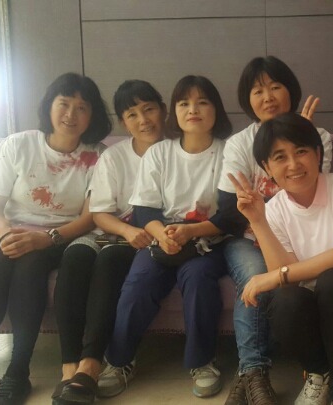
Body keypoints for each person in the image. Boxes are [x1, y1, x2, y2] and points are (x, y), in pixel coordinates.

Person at [228, 112, 333, 405]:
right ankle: (320, 372)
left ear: (318, 154)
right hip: (318, 319)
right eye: (280, 157)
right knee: (283, 299)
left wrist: (276, 275)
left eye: (301, 152)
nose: (293, 164)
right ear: (267, 167)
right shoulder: (274, 209)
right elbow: (284, 278)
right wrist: (258, 221)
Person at [0, 72, 110, 405]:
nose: (71, 114)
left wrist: (46, 239)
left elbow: (89, 217)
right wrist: (7, 235)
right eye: (64, 104)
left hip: (58, 237)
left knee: (30, 266)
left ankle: (18, 373)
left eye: (82, 107)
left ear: (92, 115)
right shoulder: (18, 145)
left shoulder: (99, 155)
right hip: (8, 229)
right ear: (49, 106)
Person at [210, 55, 332, 405]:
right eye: (257, 91)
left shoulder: (319, 137)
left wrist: (303, 139)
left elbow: (315, 196)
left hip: (300, 235)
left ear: (290, 90)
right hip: (248, 237)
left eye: (275, 86)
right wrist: (261, 224)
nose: (268, 97)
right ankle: (255, 373)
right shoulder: (239, 143)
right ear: (247, 100)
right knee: (255, 273)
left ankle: (254, 376)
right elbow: (230, 209)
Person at [102, 75, 231, 399]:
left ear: (216, 109)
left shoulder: (229, 152)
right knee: (139, 283)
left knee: (198, 279)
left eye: (202, 102)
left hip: (207, 239)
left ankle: (202, 362)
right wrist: (163, 235)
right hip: (163, 236)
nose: (193, 110)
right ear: (174, 111)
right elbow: (144, 209)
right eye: (184, 103)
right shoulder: (160, 153)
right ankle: (118, 361)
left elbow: (230, 214)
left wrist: (191, 231)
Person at [51, 80, 166, 404]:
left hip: (142, 238)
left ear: (163, 111)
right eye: (132, 114)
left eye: (149, 110)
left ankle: (90, 366)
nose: (143, 120)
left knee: (110, 260)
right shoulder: (115, 156)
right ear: (123, 122)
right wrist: (126, 231)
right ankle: (69, 369)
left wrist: (133, 235)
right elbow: (99, 213)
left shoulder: (174, 152)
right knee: (75, 257)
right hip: (110, 231)